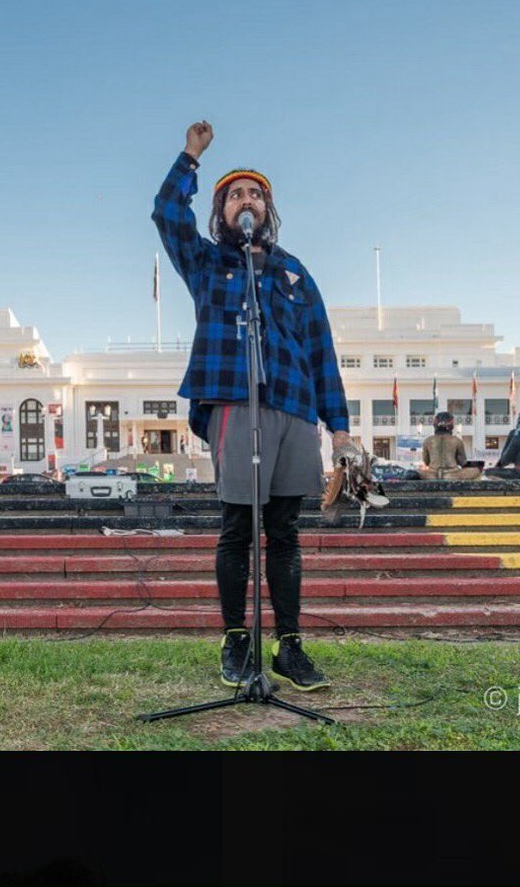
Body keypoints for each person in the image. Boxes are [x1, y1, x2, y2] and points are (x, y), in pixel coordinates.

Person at [153, 120, 359, 691]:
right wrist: (190, 159)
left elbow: (322, 353)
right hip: (232, 402)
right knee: (238, 525)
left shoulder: (296, 273)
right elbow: (168, 216)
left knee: (286, 530)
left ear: (269, 209)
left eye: (257, 194)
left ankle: (289, 645)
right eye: (236, 195)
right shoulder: (206, 263)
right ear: (221, 212)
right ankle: (237, 639)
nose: (248, 200)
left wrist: (338, 429)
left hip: (293, 407)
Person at [419, 412, 482, 481]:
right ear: (451, 425)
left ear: (435, 425)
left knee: (416, 472)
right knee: (476, 470)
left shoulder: (428, 440)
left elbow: (426, 461)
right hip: (453, 474)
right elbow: (462, 462)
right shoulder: (456, 440)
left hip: (432, 475)